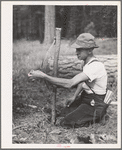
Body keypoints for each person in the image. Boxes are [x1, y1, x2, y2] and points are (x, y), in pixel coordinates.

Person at [28, 33, 108, 128]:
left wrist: (44, 76)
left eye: (79, 49)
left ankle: (98, 117)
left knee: (66, 122)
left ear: (90, 50)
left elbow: (70, 83)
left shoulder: (95, 66)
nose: (76, 52)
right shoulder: (85, 63)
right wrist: (74, 96)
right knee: (62, 114)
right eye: (76, 49)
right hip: (85, 98)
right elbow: (82, 81)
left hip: (95, 103)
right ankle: (87, 115)